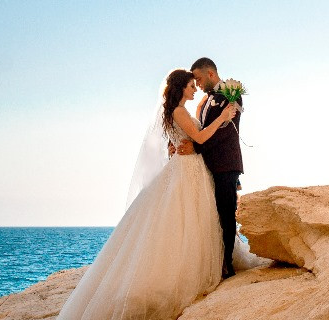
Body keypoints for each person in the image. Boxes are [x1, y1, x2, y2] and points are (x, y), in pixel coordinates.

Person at [57, 69, 238, 320]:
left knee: (190, 218)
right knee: (186, 219)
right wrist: (223, 118)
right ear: (181, 88)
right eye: (190, 85)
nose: (194, 89)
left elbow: (181, 138)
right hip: (187, 169)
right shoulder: (179, 111)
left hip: (190, 166)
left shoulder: (178, 111)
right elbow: (199, 137)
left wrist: (178, 142)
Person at [189, 57, 245, 279]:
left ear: (210, 74)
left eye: (199, 79)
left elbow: (225, 130)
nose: (198, 84)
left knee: (226, 213)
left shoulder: (232, 94)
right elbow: (203, 128)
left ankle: (227, 264)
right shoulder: (204, 101)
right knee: (211, 214)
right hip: (206, 165)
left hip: (225, 163)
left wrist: (196, 146)